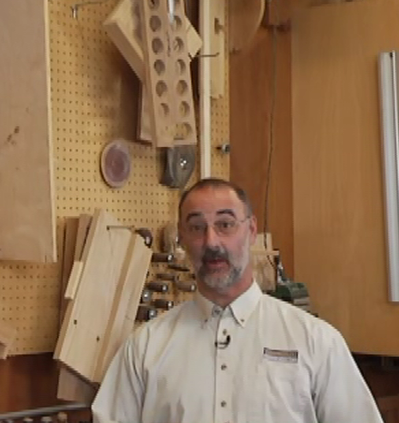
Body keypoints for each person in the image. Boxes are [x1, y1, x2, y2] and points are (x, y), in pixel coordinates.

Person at [90, 177, 384, 423]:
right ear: (181, 237)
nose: (212, 242)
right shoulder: (145, 348)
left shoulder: (316, 342)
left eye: (225, 224)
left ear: (251, 230)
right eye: (196, 227)